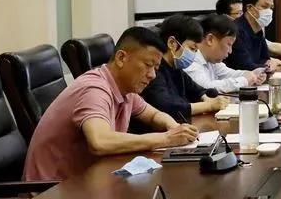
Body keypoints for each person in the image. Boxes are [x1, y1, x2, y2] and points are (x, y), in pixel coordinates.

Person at [23, 27, 198, 181]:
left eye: (156, 68)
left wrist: (174, 127)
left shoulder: (126, 90)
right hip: (50, 192)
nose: (152, 75)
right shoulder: (94, 89)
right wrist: (166, 138)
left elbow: (153, 115)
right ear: (121, 58)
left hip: (86, 182)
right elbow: (100, 141)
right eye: (148, 65)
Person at [141, 14, 230, 120]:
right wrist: (209, 106)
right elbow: (166, 107)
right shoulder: (155, 71)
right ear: (172, 43)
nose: (193, 55)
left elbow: (197, 90)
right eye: (192, 48)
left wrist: (207, 98)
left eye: (196, 51)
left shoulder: (176, 69)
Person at [186, 14, 267, 93]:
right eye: (229, 44)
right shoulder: (189, 60)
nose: (230, 51)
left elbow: (228, 73)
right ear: (210, 39)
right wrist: (244, 80)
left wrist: (252, 74)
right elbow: (205, 87)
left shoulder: (211, 59)